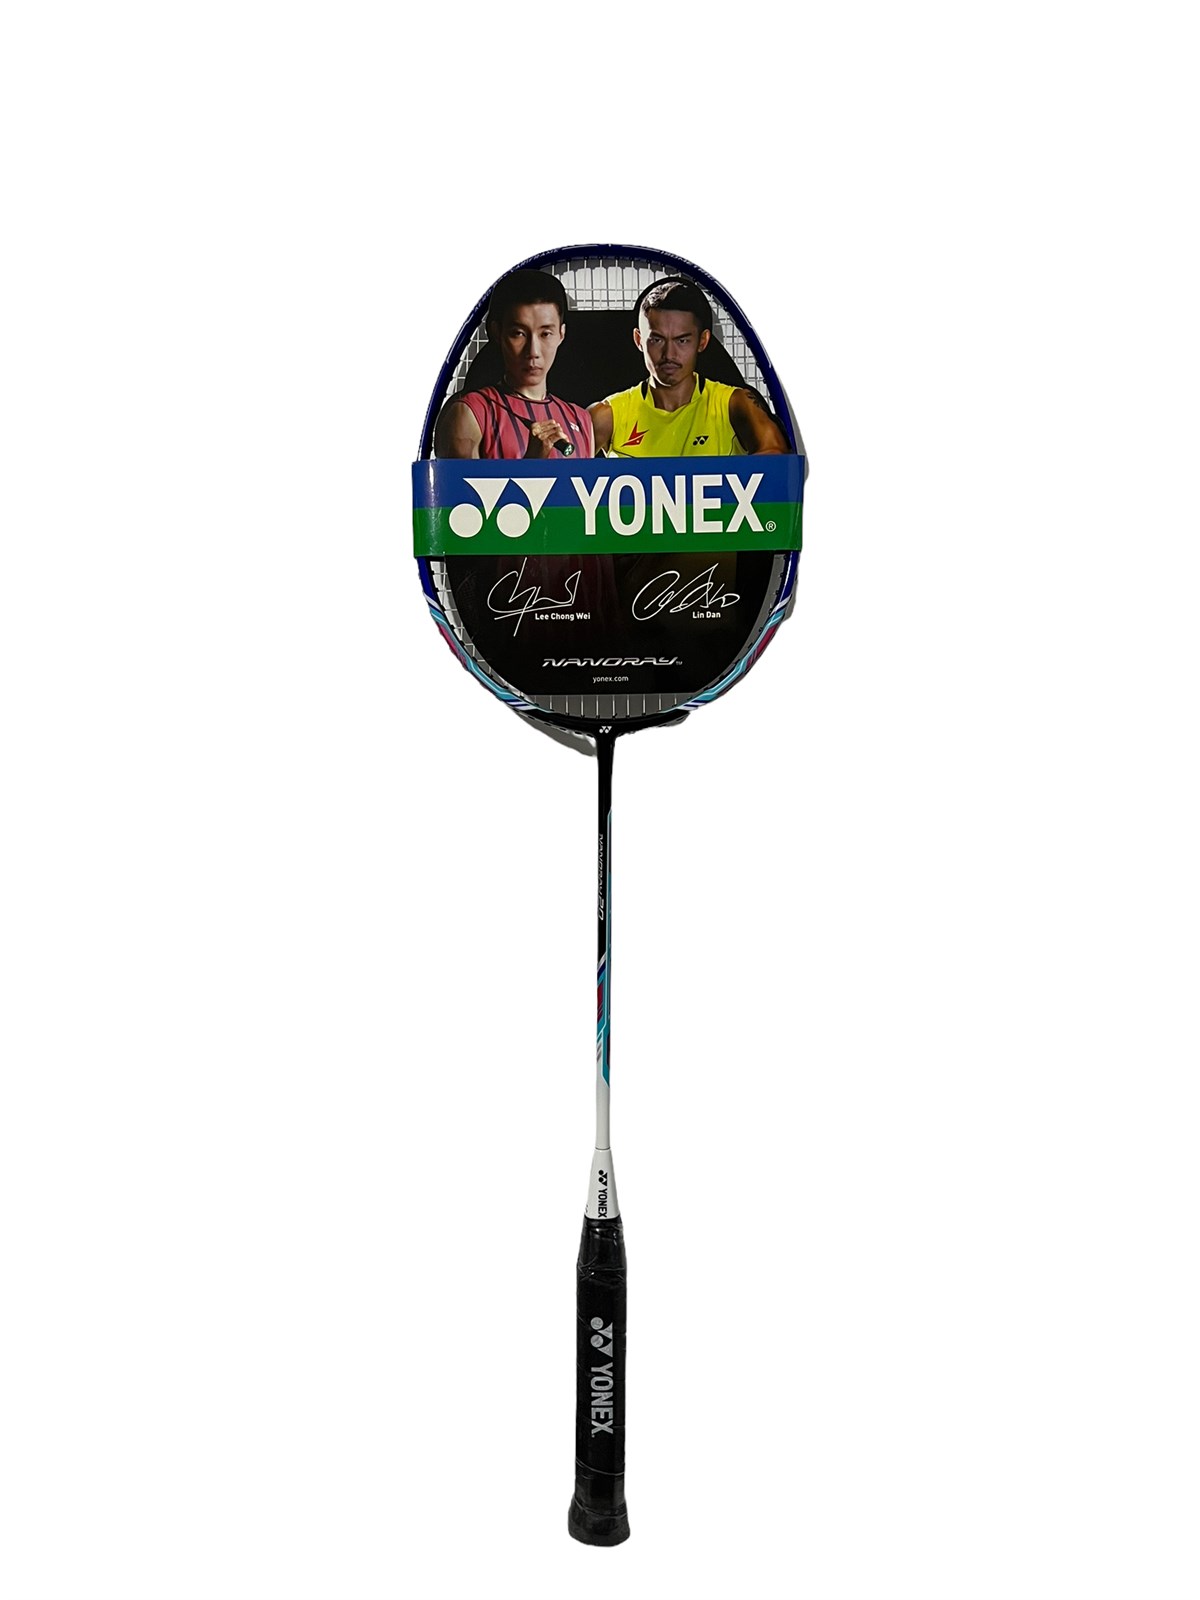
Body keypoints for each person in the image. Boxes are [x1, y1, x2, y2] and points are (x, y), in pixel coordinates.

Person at [589, 279, 790, 457]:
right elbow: (568, 469)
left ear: (703, 341)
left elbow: (777, 458)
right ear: (639, 340)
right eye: (657, 340)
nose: (669, 354)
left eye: (682, 340)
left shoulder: (734, 404)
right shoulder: (608, 415)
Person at [435, 269, 594, 459]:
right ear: (497, 333)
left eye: (545, 334)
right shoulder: (468, 414)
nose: (533, 351)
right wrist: (531, 464)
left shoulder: (581, 419)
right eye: (518, 333)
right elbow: (459, 481)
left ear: (561, 334)